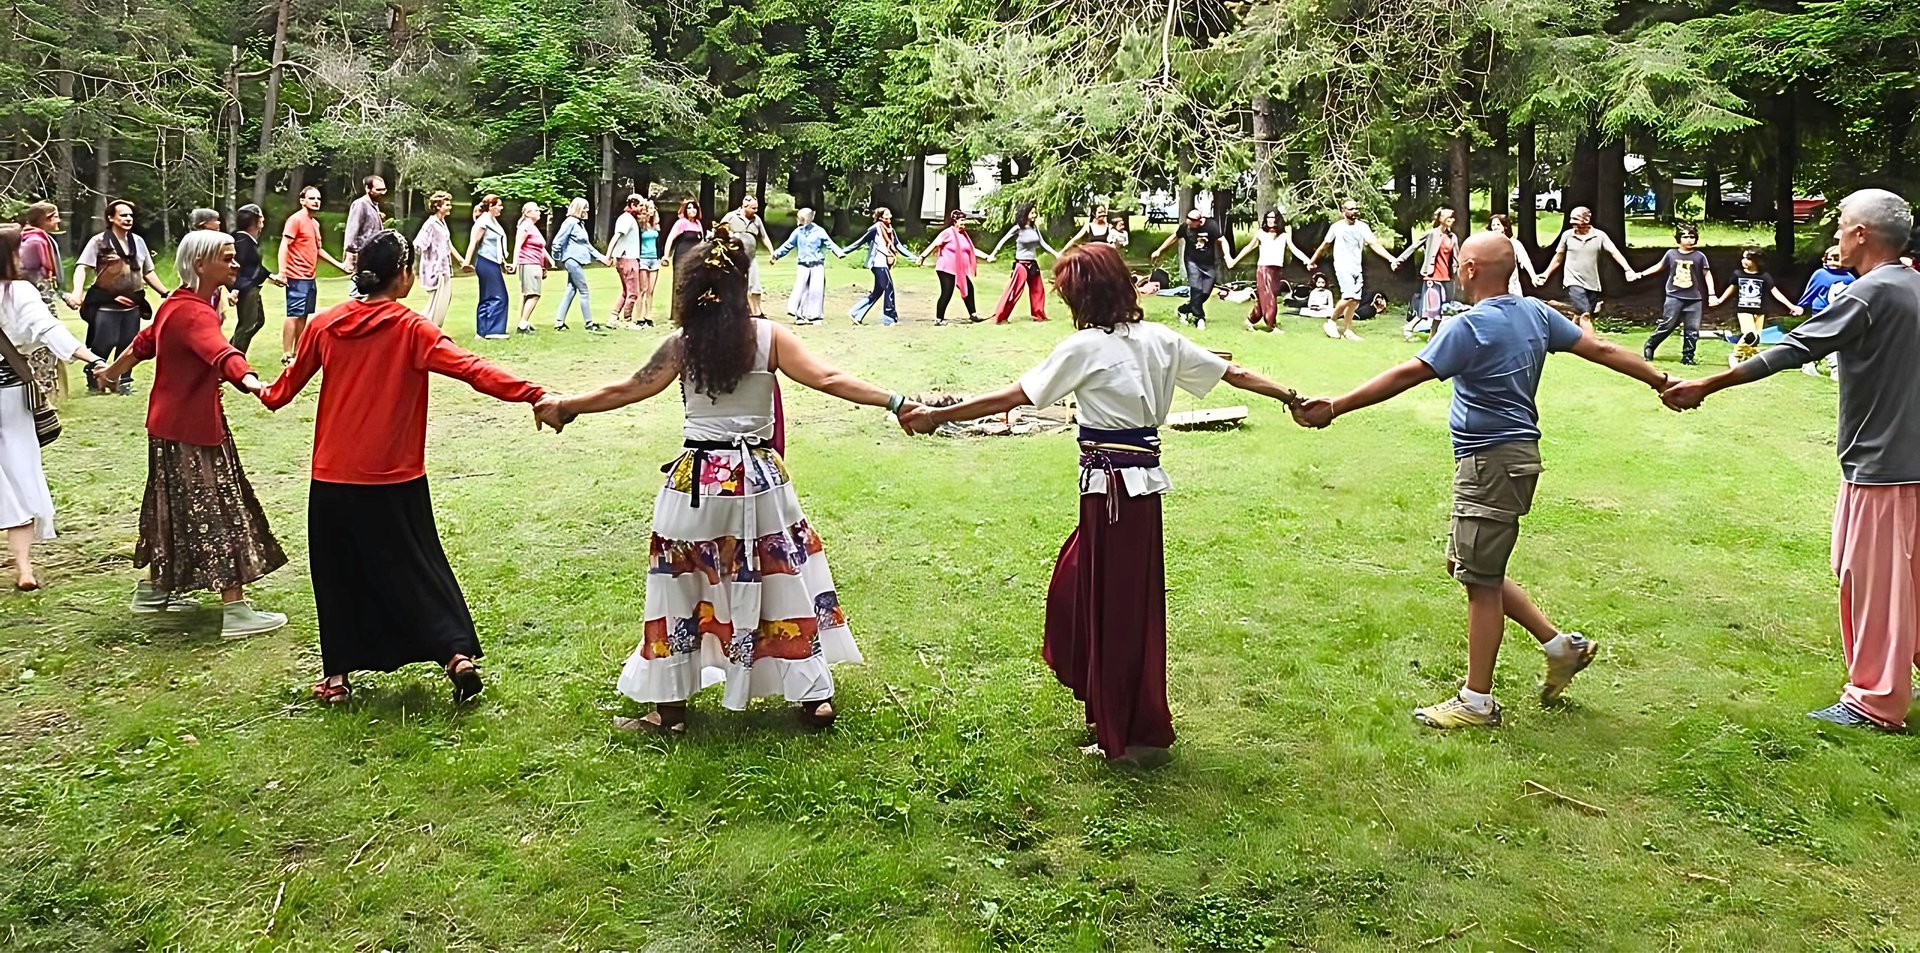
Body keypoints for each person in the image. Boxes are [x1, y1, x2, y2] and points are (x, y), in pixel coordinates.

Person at [898, 243, 1307, 764]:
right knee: (1092, 596)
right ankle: (1118, 714)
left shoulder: (1086, 347)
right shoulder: (1159, 338)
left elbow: (1012, 397)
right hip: (1131, 493)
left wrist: (939, 417)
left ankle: (1124, 735)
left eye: (1069, 289)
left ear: (1085, 294)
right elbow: (1236, 374)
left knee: (1112, 610)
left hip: (1114, 494)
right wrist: (1291, 397)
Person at [1295, 233, 1672, 728]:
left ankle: (1477, 701)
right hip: (1510, 460)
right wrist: (1660, 381)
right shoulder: (1536, 313)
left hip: (1491, 462)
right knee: (1466, 565)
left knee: (1480, 581)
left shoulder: (1468, 327)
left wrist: (1336, 406)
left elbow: (1406, 374)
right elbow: (1599, 348)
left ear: (1469, 269)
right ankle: (1561, 647)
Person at [535, 228, 900, 732]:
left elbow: (627, 389)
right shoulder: (769, 338)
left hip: (697, 485)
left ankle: (670, 710)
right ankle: (812, 696)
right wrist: (898, 403)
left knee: (680, 589)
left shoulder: (681, 345)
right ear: (740, 284)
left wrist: (567, 406)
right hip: (760, 482)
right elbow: (830, 379)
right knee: (784, 579)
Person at [1662, 190, 1920, 730]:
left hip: (1883, 470)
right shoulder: (1914, 288)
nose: (1836, 236)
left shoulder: (1869, 295)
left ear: (1864, 235)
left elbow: (1793, 348)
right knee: (1904, 581)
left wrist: (1709, 382)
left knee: (1871, 586)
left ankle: (1875, 702)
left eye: (1842, 226)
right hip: (1902, 467)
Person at [259, 229, 549, 705]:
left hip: (333, 479)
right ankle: (456, 656)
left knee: (338, 577)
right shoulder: (412, 328)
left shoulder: (325, 325)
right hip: (395, 479)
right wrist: (534, 392)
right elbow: (472, 368)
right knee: (419, 567)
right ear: (405, 276)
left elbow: (279, 394)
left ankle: (336, 681)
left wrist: (245, 379)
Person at [91, 231, 288, 635]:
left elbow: (143, 344)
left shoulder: (177, 304)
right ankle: (235, 612)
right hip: (192, 430)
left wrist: (110, 373)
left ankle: (152, 593)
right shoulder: (194, 313)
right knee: (215, 507)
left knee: (176, 505)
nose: (236, 265)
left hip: (168, 425)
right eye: (228, 258)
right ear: (200, 265)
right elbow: (221, 352)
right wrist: (251, 381)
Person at [0, 225, 110, 589]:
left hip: (11, 395)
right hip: (10, 397)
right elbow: (50, 331)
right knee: (19, 474)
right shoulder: (18, 293)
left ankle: (25, 569)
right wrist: (93, 359)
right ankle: (24, 568)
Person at [75, 200, 170, 392]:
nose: (128, 219)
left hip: (132, 305)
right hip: (106, 304)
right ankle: (95, 377)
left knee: (128, 345)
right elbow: (82, 267)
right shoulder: (99, 241)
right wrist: (77, 293)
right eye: (123, 215)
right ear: (111, 218)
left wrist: (166, 293)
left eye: (130, 216)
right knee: (103, 344)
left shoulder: (139, 242)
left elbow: (148, 271)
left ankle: (123, 381)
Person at [274, 186, 348, 365]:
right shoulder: (295, 220)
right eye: (312, 198)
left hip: (309, 276)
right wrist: (282, 272)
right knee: (293, 313)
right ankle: (286, 353)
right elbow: (285, 245)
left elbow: (318, 250)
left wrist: (339, 265)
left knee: (304, 314)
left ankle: (299, 351)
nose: (316, 201)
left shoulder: (314, 224)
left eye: (318, 198)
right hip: (295, 275)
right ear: (302, 200)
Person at [1307, 200, 1399, 341]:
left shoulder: (1362, 227)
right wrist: (1312, 261)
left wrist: (1391, 258)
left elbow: (1374, 244)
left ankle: (1348, 330)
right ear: (1343, 211)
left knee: (1355, 301)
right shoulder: (1336, 227)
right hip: (1342, 267)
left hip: (1357, 267)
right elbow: (1324, 245)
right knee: (1348, 296)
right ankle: (1331, 322)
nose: (1355, 211)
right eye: (1351, 209)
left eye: (1357, 208)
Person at [1536, 206, 1636, 333]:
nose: (1572, 221)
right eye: (1571, 218)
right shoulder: (1567, 235)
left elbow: (1614, 252)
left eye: (1575, 218)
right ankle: (1593, 341)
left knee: (1581, 314)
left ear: (1587, 219)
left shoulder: (1600, 236)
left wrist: (1628, 270)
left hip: (1593, 283)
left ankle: (1569, 336)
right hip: (1573, 281)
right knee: (1585, 314)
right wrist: (1546, 274)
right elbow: (1558, 258)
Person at [19, 203, 78, 406]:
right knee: (43, 347)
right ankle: (43, 396)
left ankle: (45, 394)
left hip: (43, 297)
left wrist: (61, 294)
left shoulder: (40, 239)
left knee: (45, 347)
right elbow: (24, 273)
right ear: (43, 219)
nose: (58, 221)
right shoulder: (34, 241)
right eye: (54, 217)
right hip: (36, 300)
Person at [1637, 224, 1717, 365]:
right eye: (1685, 237)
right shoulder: (1671, 254)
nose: (1689, 240)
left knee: (1692, 329)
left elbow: (1707, 275)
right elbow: (1659, 266)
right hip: (1674, 296)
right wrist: (1642, 274)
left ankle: (1688, 356)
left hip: (1694, 298)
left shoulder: (1700, 256)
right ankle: (1650, 345)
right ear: (1678, 239)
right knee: (1668, 324)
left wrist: (1712, 294)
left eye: (1692, 237)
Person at [1711, 246, 1805, 365]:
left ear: (1757, 261)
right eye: (1743, 257)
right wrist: (1719, 300)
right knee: (1750, 335)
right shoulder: (1738, 274)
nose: (1743, 261)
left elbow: (1775, 292)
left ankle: (1749, 359)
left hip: (1760, 310)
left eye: (1748, 258)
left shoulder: (1764, 277)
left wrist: (1791, 306)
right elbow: (1731, 288)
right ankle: (1736, 355)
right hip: (1744, 309)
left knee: (1756, 339)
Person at [1226, 209, 1309, 332]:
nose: (1271, 220)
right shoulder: (1261, 233)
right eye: (1268, 218)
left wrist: (1307, 260)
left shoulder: (1284, 235)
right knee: (1269, 298)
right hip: (1264, 269)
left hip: (1277, 269)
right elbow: (1249, 247)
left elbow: (1294, 249)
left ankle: (1249, 321)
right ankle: (1271, 325)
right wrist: (1234, 261)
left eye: (1273, 217)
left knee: (1264, 298)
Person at [1149, 209, 1231, 330]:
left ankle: (1183, 310)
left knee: (1205, 293)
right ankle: (1200, 318)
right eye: (1187, 220)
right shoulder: (1185, 227)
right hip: (1192, 261)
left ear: (1199, 221)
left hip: (1208, 264)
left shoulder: (1211, 226)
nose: (1188, 224)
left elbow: (1222, 240)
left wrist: (1227, 255)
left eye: (1191, 222)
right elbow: (1173, 237)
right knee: (1196, 288)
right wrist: (1159, 250)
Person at [842, 207, 920, 326]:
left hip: (884, 264)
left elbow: (899, 246)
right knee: (889, 287)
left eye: (890, 214)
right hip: (877, 263)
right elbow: (860, 242)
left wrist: (914, 258)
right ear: (880, 217)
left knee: (877, 292)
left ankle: (856, 313)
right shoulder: (875, 230)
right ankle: (889, 317)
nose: (890, 216)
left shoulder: (891, 231)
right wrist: (844, 251)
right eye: (886, 214)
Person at [987, 204, 1060, 324]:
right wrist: (993, 254)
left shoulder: (1034, 228)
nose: (1034, 215)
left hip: (1033, 263)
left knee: (1038, 290)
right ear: (1025, 214)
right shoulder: (1018, 228)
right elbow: (1003, 240)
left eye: (1035, 213)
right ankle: (1001, 317)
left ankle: (1039, 315)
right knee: (1014, 291)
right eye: (1032, 213)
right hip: (1021, 264)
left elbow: (1043, 243)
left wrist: (1056, 254)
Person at [770, 207, 842, 325]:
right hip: (803, 264)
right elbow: (788, 245)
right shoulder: (798, 232)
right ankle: (800, 315)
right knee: (801, 289)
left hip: (817, 264)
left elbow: (830, 243)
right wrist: (776, 255)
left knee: (816, 290)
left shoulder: (819, 231)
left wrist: (839, 253)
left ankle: (815, 316)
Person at [1397, 208, 1460, 340]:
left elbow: (1456, 258)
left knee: (1441, 310)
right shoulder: (1432, 234)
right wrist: (1399, 260)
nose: (1452, 220)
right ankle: (1415, 329)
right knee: (1432, 307)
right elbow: (1414, 246)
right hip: (1432, 276)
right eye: (1449, 217)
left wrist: (1459, 274)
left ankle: (1431, 337)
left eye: (1453, 218)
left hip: (1447, 278)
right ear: (1441, 219)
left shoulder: (1452, 237)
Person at [921, 209, 991, 325]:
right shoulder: (947, 233)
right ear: (955, 221)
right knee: (947, 292)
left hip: (958, 270)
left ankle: (973, 314)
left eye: (965, 221)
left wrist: (987, 257)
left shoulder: (964, 235)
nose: (964, 223)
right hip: (945, 268)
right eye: (961, 221)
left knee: (969, 288)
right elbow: (934, 244)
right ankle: (939, 319)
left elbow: (972, 250)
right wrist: (922, 257)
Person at [1796, 245, 1857, 379]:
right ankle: (1835, 368)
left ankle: (1810, 363)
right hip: (1821, 311)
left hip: (1839, 313)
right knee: (1826, 339)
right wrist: (1801, 306)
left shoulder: (1850, 278)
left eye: (1838, 259)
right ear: (1825, 259)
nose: (1834, 263)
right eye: (1831, 259)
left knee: (1830, 340)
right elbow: (1811, 291)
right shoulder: (1821, 274)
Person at [552, 197, 611, 332]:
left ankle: (559, 322)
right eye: (585, 207)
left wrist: (602, 258)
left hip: (576, 260)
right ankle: (589, 323)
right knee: (584, 291)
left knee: (571, 290)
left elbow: (587, 246)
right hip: (572, 260)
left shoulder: (579, 224)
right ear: (578, 209)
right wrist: (557, 260)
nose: (587, 210)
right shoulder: (570, 223)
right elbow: (557, 242)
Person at [229, 204, 282, 354]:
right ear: (255, 221)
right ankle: (232, 359)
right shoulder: (242, 242)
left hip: (250, 287)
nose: (263, 220)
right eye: (261, 217)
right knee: (247, 325)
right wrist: (236, 290)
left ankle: (229, 354)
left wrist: (271, 276)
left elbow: (254, 266)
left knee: (258, 320)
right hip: (245, 289)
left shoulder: (247, 241)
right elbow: (238, 267)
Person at [408, 192, 466, 330]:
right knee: (437, 303)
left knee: (444, 301)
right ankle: (421, 327)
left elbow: (448, 243)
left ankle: (431, 329)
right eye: (447, 204)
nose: (450, 207)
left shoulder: (442, 223)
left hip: (444, 267)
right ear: (438, 206)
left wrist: (460, 260)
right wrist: (412, 264)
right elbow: (418, 244)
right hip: (434, 268)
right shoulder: (430, 224)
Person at [605, 194, 658, 328]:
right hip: (628, 258)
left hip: (626, 257)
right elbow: (616, 237)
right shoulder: (627, 219)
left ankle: (613, 318)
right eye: (640, 205)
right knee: (633, 292)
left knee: (626, 291)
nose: (642, 208)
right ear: (632, 205)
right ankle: (627, 321)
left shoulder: (629, 219)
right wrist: (608, 256)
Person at [462, 195, 510, 340]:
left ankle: (481, 331)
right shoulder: (483, 222)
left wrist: (503, 263)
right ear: (491, 206)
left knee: (486, 297)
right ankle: (494, 330)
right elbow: (473, 242)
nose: (501, 208)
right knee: (500, 297)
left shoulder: (492, 221)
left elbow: (496, 245)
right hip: (486, 262)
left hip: (492, 262)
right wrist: (466, 262)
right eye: (499, 205)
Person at [718, 197, 772, 317]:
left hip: (751, 259)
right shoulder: (731, 216)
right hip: (734, 260)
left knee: (755, 286)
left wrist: (772, 252)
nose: (756, 210)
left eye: (757, 208)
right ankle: (735, 311)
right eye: (753, 208)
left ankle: (757, 312)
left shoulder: (756, 219)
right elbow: (719, 231)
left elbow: (764, 237)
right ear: (744, 206)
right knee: (735, 286)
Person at [510, 202, 552, 334]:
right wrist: (514, 263)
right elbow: (518, 246)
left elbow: (540, 247)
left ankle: (524, 321)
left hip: (535, 263)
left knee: (527, 294)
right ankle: (522, 324)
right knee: (534, 294)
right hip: (528, 263)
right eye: (536, 210)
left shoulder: (533, 227)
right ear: (527, 213)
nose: (539, 212)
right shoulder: (525, 227)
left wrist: (549, 260)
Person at [343, 175, 387, 274]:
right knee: (359, 286)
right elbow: (352, 230)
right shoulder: (360, 204)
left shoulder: (374, 205)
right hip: (361, 256)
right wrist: (350, 256)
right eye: (378, 190)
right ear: (368, 189)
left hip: (373, 256)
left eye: (384, 189)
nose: (382, 193)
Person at [1487, 213, 1540, 297]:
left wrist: (1533, 276)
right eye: (1493, 225)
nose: (1495, 227)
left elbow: (1524, 259)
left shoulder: (1514, 243)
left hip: (1512, 282)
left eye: (1498, 224)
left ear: (1505, 226)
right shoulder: (1489, 244)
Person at [664, 199, 707, 265]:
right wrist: (665, 256)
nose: (692, 210)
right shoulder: (682, 222)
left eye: (694, 207)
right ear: (685, 210)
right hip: (682, 257)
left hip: (695, 258)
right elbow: (670, 238)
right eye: (689, 208)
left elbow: (702, 241)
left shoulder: (698, 223)